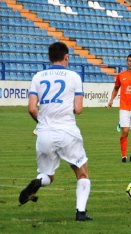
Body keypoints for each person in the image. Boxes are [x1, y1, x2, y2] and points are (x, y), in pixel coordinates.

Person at [19, 42, 92, 221]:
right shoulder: (74, 76)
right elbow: (79, 109)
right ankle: (80, 212)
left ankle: (38, 182)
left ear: (49, 57)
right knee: (82, 172)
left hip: (44, 133)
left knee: (48, 176)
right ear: (66, 57)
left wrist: (43, 121)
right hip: (67, 131)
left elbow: (31, 108)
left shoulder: (38, 76)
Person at [107, 54, 131, 163]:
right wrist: (111, 100)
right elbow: (115, 89)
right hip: (124, 107)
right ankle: (123, 156)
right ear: (126, 62)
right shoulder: (121, 75)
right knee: (124, 131)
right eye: (129, 61)